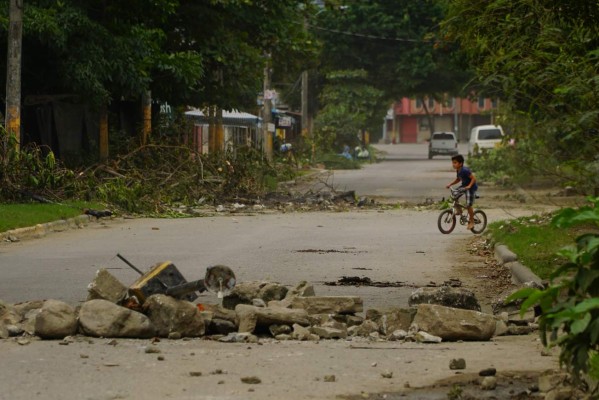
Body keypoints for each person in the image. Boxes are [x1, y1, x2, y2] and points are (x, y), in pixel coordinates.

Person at [446, 154, 478, 230]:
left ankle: (472, 221)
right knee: (454, 195)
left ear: (460, 163)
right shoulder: (458, 170)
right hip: (464, 186)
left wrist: (469, 186)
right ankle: (459, 210)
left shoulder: (465, 170)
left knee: (468, 205)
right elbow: (458, 179)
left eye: (455, 163)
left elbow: (473, 178)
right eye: (453, 163)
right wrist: (450, 184)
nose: (453, 164)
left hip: (471, 188)